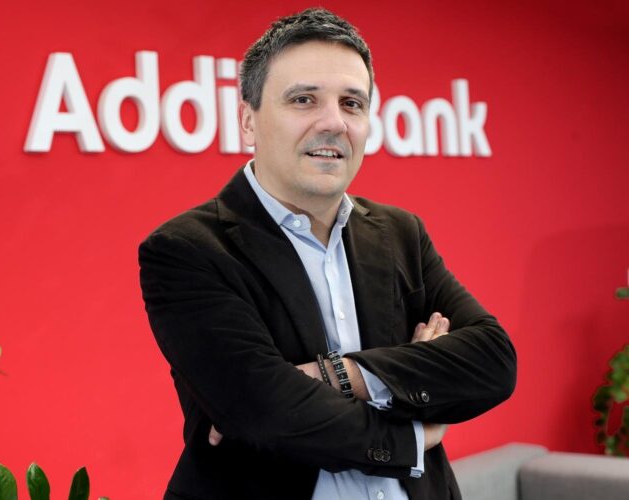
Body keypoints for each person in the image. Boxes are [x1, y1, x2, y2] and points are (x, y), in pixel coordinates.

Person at [139, 8, 516, 500]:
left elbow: (493, 361)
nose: (334, 122)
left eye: (352, 104)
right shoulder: (187, 250)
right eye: (304, 100)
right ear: (248, 121)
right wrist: (414, 433)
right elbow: (269, 413)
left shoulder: (401, 233)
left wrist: (334, 375)